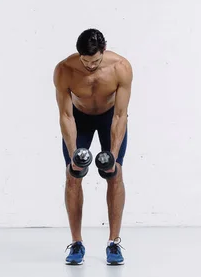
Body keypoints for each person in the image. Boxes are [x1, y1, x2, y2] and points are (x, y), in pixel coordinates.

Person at [53, 28, 133, 265]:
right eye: (86, 62)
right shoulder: (65, 70)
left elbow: (120, 116)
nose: (91, 66)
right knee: (73, 175)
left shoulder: (121, 67)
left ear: (103, 52)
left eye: (96, 61)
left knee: (115, 174)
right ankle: (76, 243)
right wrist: (73, 156)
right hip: (80, 119)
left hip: (110, 118)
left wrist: (113, 158)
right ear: (79, 55)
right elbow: (66, 116)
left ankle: (113, 243)